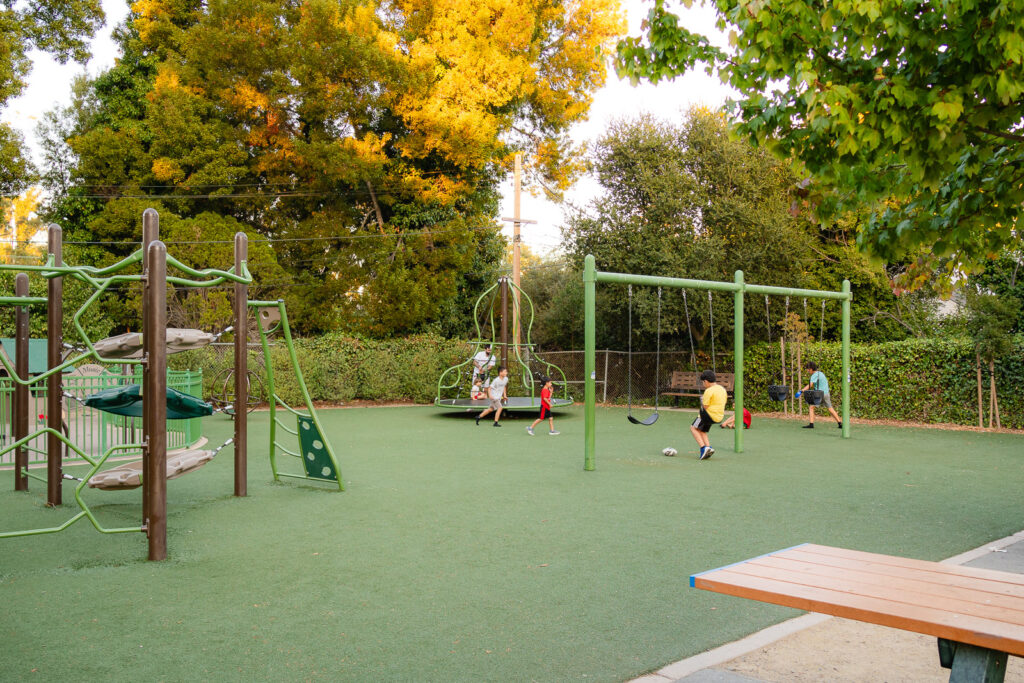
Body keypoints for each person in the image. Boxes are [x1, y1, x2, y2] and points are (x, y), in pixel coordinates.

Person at [690, 369, 727, 460]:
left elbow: (705, 406)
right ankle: (709, 448)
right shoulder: (722, 389)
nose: (703, 384)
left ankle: (703, 448)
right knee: (702, 430)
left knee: (693, 428)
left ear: (706, 381)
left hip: (708, 415)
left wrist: (702, 400)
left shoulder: (709, 391)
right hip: (718, 416)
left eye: (703, 382)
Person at [796, 361, 842, 429]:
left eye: (808, 369)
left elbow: (810, 385)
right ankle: (840, 423)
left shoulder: (814, 375)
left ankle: (811, 424)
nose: (807, 371)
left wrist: (801, 391)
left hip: (819, 394)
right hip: (826, 393)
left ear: (811, 369)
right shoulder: (821, 373)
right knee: (830, 408)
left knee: (811, 407)